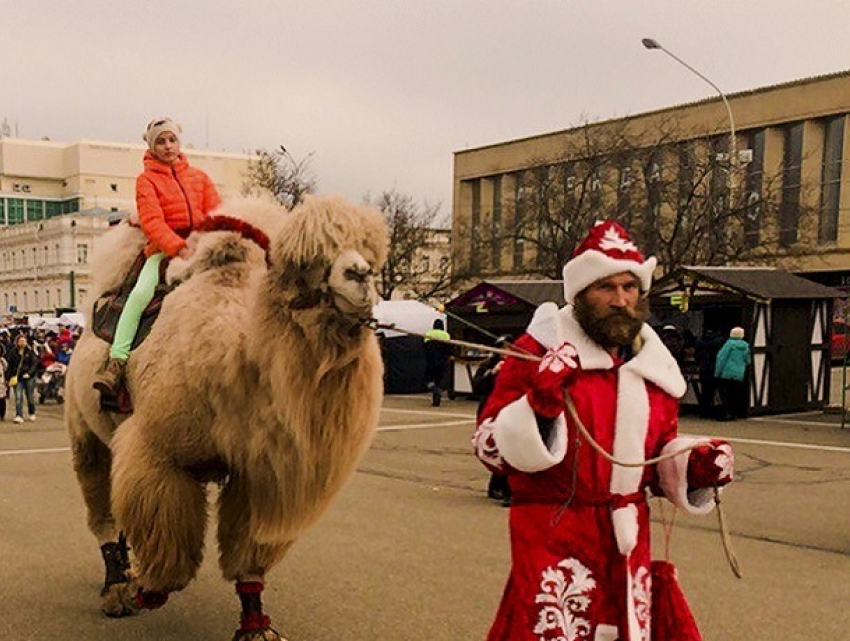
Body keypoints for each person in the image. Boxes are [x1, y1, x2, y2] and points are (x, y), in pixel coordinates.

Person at [473, 220, 734, 641]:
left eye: (630, 288)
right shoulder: (536, 351)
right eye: (606, 288)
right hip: (553, 534)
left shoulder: (654, 366)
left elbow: (657, 451)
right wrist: (538, 406)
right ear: (580, 294)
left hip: (629, 539)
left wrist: (695, 464)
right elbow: (488, 446)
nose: (620, 300)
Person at [93, 117, 221, 397]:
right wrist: (178, 247)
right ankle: (117, 361)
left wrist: (207, 241)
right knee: (139, 295)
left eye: (171, 139)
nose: (167, 146)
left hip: (202, 248)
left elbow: (216, 213)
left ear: (179, 142)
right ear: (151, 146)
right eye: (160, 141)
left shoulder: (200, 178)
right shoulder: (146, 180)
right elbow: (152, 221)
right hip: (163, 252)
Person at [471, 335, 513, 506]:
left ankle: (503, 487)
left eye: (509, 348)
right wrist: (492, 373)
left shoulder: (517, 365)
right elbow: (478, 386)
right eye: (503, 348)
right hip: (490, 412)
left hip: (509, 412)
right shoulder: (488, 366)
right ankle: (498, 486)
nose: (506, 352)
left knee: (507, 449)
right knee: (496, 448)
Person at [714, 326, 751, 420]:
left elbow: (721, 359)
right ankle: (734, 413)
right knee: (735, 395)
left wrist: (717, 373)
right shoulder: (746, 347)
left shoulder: (728, 345)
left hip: (726, 373)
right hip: (739, 374)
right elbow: (748, 361)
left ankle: (726, 413)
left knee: (725, 395)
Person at [7, 334, 40, 423]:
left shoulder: (30, 351)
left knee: (30, 397)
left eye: (24, 341)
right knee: (18, 397)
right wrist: (8, 377)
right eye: (20, 341)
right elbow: (10, 366)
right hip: (17, 378)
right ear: (17, 342)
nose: (22, 342)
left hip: (29, 377)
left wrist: (29, 373)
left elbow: (34, 363)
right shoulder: (12, 352)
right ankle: (19, 415)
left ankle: (31, 412)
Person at [423, 318, 453, 407]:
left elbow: (425, 347)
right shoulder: (446, 335)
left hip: (431, 360)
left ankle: (434, 390)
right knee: (439, 379)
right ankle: (438, 390)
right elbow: (449, 348)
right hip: (442, 361)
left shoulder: (428, 334)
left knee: (429, 378)